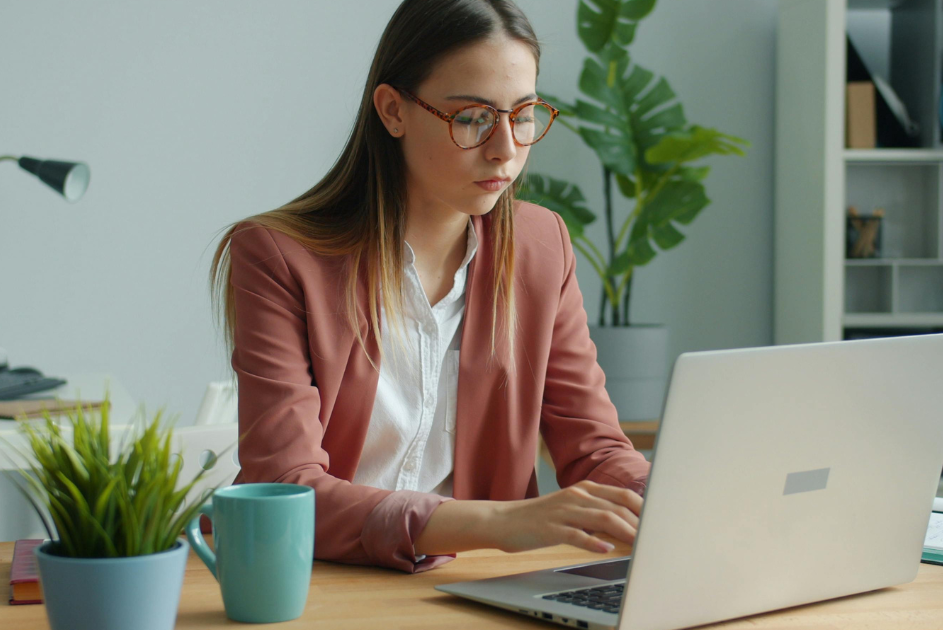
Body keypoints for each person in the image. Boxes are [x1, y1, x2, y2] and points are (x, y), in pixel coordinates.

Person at [210, 0, 650, 573]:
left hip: (479, 586)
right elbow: (285, 490)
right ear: (393, 111)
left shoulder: (541, 246)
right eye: (471, 118)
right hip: (326, 585)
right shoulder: (279, 257)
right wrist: (497, 522)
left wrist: (678, 495)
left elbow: (594, 450)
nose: (506, 149)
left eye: (522, 114)